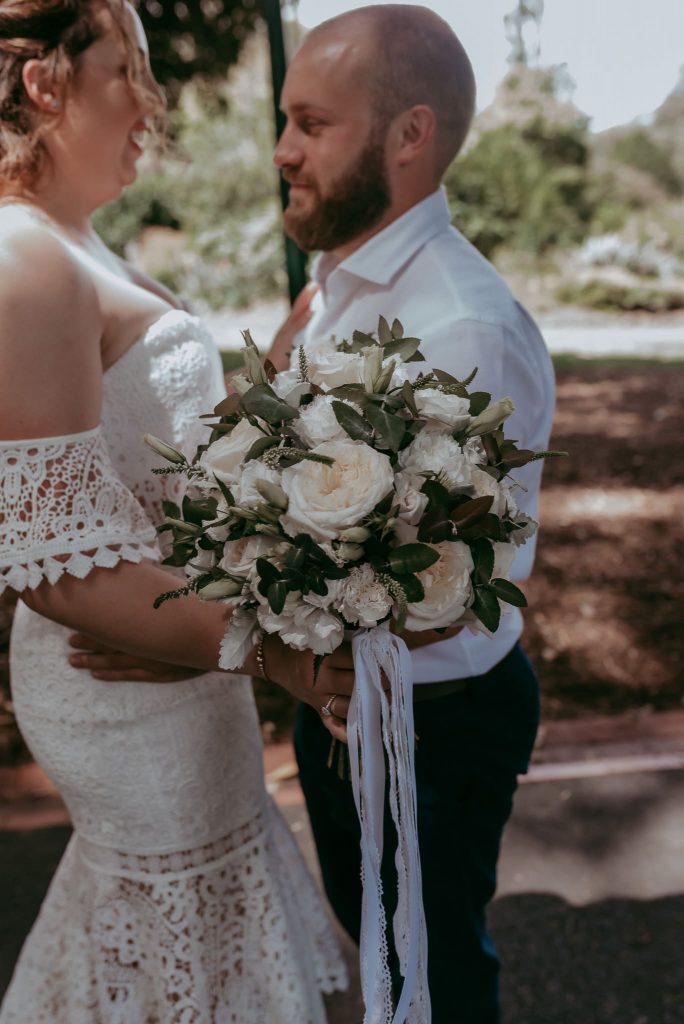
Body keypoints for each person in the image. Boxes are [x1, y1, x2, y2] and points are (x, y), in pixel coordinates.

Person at [0, 2, 351, 1020]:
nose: (154, 102)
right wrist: (275, 651)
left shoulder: (75, 241)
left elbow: (148, 460)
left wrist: (292, 370)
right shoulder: (24, 259)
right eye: (131, 69)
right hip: (124, 684)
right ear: (45, 84)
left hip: (181, 653)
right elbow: (59, 563)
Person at [267, 6, 556, 1023]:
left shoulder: (462, 326)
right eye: (286, 121)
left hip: (433, 728)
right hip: (344, 709)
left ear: (407, 136)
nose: (282, 150)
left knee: (434, 976)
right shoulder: (334, 287)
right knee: (382, 953)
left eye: (311, 123)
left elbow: (440, 596)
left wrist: (206, 641)